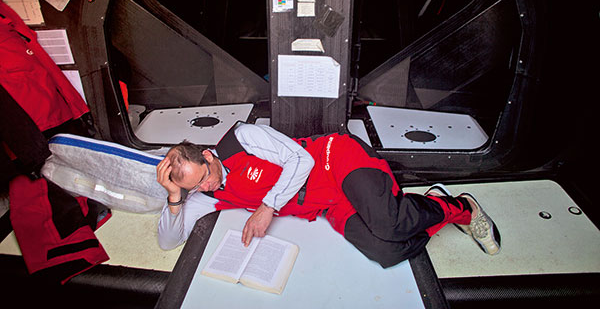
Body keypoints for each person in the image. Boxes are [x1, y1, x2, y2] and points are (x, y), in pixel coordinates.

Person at [157, 122, 501, 267]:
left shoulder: (240, 139)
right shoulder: (207, 193)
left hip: (334, 161)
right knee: (386, 251)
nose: (205, 188)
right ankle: (426, 205)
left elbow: (300, 158)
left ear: (205, 155)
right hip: (327, 204)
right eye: (194, 188)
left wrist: (266, 206)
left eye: (203, 178)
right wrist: (174, 195)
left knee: (388, 221)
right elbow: (168, 242)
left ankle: (461, 208)